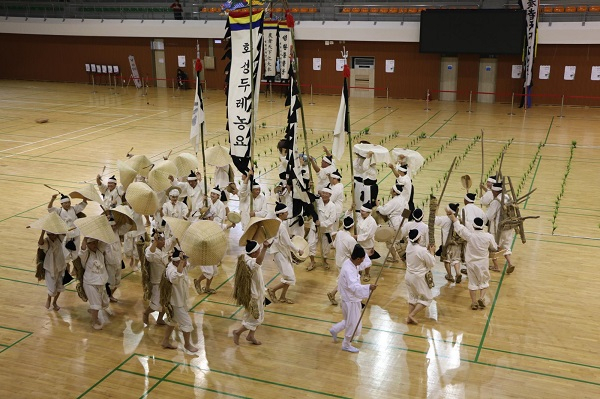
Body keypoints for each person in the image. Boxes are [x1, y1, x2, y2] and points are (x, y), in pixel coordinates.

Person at [328, 244, 376, 353]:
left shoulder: (350, 262)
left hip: (347, 299)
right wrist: (369, 287)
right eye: (362, 259)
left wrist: (367, 254)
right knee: (353, 324)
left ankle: (335, 329)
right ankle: (346, 344)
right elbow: (354, 287)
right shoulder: (349, 270)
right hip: (351, 301)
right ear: (358, 258)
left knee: (348, 320)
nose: (362, 262)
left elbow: (365, 264)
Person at [450, 214, 498, 310]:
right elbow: (494, 247)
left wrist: (453, 217)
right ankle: (481, 298)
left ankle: (473, 303)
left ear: (473, 226)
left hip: (471, 263)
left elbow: (459, 229)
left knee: (472, 283)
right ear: (483, 226)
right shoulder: (488, 236)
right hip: (483, 263)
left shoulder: (470, 236)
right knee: (484, 281)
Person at [232, 240, 270, 345]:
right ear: (253, 253)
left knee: (260, 316)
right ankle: (237, 332)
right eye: (258, 250)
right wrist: (265, 248)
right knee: (254, 318)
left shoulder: (247, 257)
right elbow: (258, 262)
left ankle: (251, 335)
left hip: (259, 292)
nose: (260, 251)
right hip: (254, 295)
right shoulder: (250, 262)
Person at [161, 248, 198, 352]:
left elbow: (191, 264)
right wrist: (182, 263)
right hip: (176, 303)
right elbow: (174, 278)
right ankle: (187, 344)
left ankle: (165, 341)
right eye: (184, 261)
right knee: (187, 323)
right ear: (177, 262)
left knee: (172, 321)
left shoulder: (182, 266)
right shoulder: (171, 269)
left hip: (181, 300)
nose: (186, 262)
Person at [266, 203, 302, 304]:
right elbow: (288, 243)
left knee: (288, 277)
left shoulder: (275, 223)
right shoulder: (280, 226)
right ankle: (272, 290)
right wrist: (298, 250)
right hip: (280, 254)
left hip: (280, 253)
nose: (287, 214)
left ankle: (282, 297)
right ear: (281, 214)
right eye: (286, 212)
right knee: (290, 277)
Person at [404, 229, 436, 324]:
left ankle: (409, 318)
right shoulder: (422, 251)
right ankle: (412, 315)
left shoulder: (409, 246)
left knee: (413, 297)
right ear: (419, 238)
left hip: (408, 276)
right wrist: (432, 252)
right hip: (419, 278)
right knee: (427, 298)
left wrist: (427, 250)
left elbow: (419, 252)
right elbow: (432, 263)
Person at [80, 237, 110, 330]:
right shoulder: (86, 254)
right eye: (92, 243)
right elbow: (83, 249)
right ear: (88, 244)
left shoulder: (100, 251)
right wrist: (85, 237)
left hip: (101, 282)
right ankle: (94, 321)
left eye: (95, 243)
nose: (94, 245)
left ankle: (93, 311)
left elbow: (105, 241)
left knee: (103, 302)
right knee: (96, 303)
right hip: (90, 282)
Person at [327, 216, 358, 305]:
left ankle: (333, 293)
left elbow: (335, 244)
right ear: (352, 227)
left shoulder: (339, 233)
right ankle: (345, 299)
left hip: (338, 261)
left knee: (343, 280)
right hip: (346, 263)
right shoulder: (351, 240)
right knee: (347, 282)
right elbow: (355, 254)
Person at [486, 182, 516, 273]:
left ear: (495, 191)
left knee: (494, 246)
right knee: (506, 246)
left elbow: (490, 216)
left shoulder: (496, 201)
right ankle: (510, 263)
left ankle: (496, 266)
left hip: (498, 228)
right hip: (509, 226)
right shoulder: (508, 197)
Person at [143, 231, 172, 326]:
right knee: (156, 303)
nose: (164, 242)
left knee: (166, 302)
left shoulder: (164, 249)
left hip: (166, 280)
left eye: (164, 239)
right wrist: (155, 242)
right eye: (162, 240)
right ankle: (146, 313)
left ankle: (159, 319)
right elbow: (149, 257)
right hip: (157, 281)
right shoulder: (150, 250)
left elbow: (172, 241)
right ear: (156, 241)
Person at [47, 193, 87, 261]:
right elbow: (50, 208)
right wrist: (52, 199)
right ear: (61, 204)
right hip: (64, 234)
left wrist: (84, 197)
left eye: (69, 202)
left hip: (75, 233)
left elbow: (83, 204)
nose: (68, 204)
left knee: (75, 253)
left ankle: (75, 265)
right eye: (65, 203)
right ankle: (66, 266)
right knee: (64, 254)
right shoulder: (59, 211)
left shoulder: (74, 209)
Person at [376, 183, 408, 262]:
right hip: (404, 223)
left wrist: (378, 206)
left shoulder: (394, 201)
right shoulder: (404, 200)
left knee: (390, 241)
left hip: (395, 224)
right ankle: (404, 256)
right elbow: (407, 211)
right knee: (400, 241)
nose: (390, 190)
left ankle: (395, 258)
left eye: (391, 189)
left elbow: (384, 211)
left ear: (394, 192)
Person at [435, 203, 464, 283]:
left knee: (446, 260)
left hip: (447, 244)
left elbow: (434, 219)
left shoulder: (445, 219)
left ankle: (450, 275)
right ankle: (458, 273)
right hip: (457, 244)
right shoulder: (458, 219)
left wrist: (436, 210)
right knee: (456, 259)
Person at [37, 230, 67, 311]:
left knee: (60, 286)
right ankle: (49, 299)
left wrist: (58, 228)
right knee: (52, 287)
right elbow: (40, 243)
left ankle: (55, 302)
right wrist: (42, 232)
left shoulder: (59, 238)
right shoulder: (47, 241)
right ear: (48, 234)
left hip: (61, 266)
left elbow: (64, 233)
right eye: (52, 235)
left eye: (55, 234)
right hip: (50, 268)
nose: (54, 236)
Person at [356, 203, 378, 281]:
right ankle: (359, 271)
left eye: (363, 211)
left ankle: (367, 274)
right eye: (361, 210)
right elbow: (348, 216)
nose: (361, 212)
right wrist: (351, 209)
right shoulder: (359, 217)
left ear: (368, 213)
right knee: (358, 259)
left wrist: (357, 237)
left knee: (367, 260)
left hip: (367, 244)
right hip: (359, 243)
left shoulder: (372, 222)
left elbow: (368, 235)